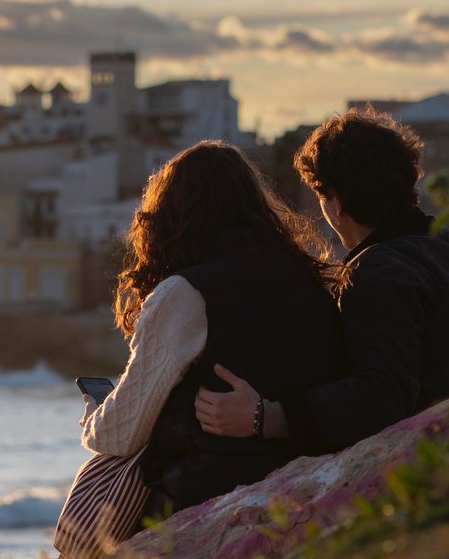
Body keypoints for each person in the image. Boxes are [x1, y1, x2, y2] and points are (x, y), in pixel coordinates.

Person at [194, 107, 449, 454]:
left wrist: (266, 417)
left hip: (425, 458)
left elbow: (382, 393)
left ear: (335, 203)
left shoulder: (379, 269)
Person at [81, 141, 346, 518]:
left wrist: (94, 417)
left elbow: (120, 434)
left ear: (171, 215)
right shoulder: (310, 279)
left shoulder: (185, 293)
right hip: (304, 472)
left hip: (209, 489)